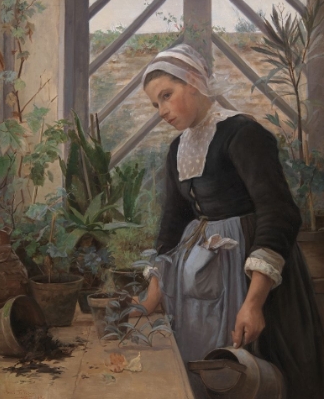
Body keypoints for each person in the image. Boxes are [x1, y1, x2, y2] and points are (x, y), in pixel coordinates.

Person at [135, 43, 324, 399]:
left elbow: (279, 212)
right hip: (201, 283)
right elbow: (172, 223)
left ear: (194, 82)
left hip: (253, 277)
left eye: (166, 96)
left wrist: (254, 302)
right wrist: (153, 294)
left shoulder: (242, 133)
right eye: (155, 103)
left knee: (252, 374)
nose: (161, 111)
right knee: (205, 369)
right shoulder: (178, 149)